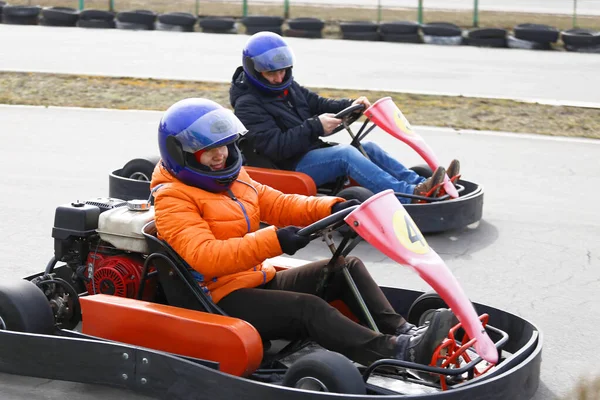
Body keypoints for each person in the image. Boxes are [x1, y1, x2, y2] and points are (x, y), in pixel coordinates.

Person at [150, 97, 455, 369]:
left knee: (343, 268)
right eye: (209, 151)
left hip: (256, 278)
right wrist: (275, 240)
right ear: (183, 155)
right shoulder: (173, 198)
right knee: (307, 309)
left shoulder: (232, 177)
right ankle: (398, 352)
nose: (220, 156)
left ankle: (403, 332)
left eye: (224, 146)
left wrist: (333, 206)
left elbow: (279, 203)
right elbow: (206, 257)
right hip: (219, 298)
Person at [229, 31, 461, 204]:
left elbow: (318, 104)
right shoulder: (248, 104)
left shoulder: (287, 88)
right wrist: (315, 127)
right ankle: (411, 197)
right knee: (345, 155)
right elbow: (275, 147)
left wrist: (351, 105)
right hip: (287, 166)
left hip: (309, 151)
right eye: (272, 73)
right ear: (255, 70)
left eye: (282, 71)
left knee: (368, 146)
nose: (279, 78)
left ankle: (419, 186)